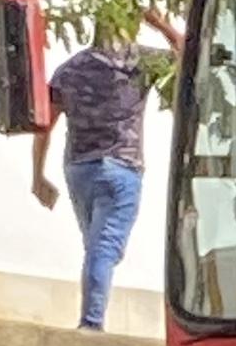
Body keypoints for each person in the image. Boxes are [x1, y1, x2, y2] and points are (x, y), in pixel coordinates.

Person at [32, 23, 168, 329]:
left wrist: (38, 175)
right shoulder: (140, 62)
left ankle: (91, 317)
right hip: (123, 168)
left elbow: (43, 126)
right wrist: (159, 22)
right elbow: (191, 54)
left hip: (79, 168)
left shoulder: (70, 69)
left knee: (96, 247)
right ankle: (91, 322)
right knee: (104, 248)